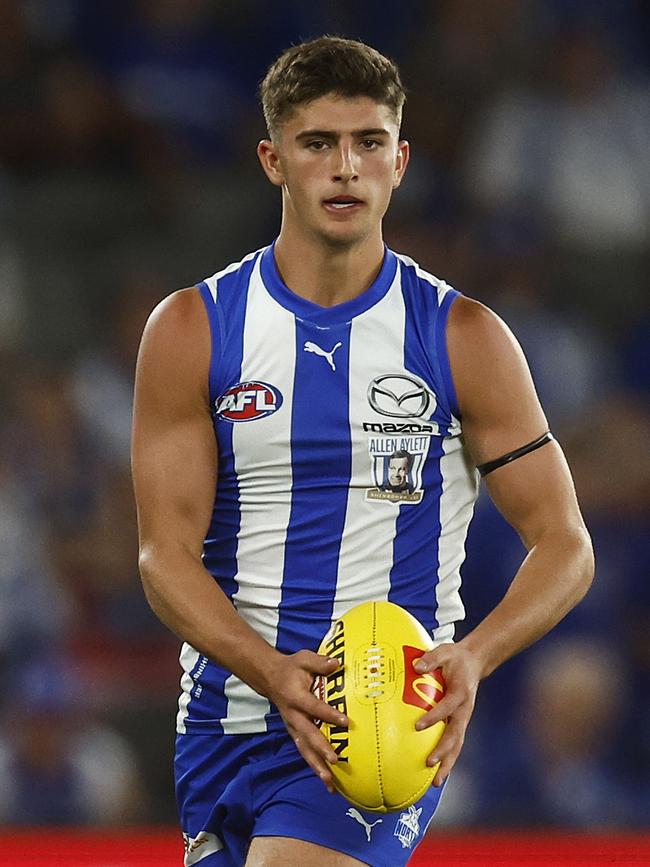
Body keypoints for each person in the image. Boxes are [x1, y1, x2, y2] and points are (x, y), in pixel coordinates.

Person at [131, 36, 594, 867]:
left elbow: (565, 544)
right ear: (274, 159)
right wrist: (270, 671)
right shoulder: (194, 330)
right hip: (224, 717)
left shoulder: (464, 338)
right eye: (318, 143)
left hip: (379, 724)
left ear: (401, 160)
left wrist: (474, 657)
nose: (346, 167)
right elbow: (164, 558)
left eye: (369, 142)